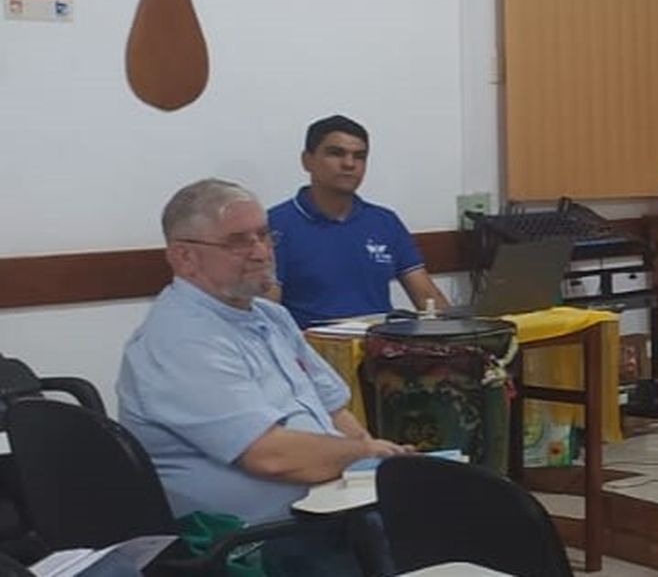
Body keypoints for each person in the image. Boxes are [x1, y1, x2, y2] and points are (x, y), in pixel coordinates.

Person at [118, 178, 411, 575]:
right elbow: (270, 457)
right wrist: (365, 456)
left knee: (448, 518)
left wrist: (368, 459)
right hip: (254, 542)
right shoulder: (179, 340)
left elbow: (334, 409)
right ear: (185, 257)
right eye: (238, 241)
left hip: (326, 509)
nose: (260, 252)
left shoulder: (270, 316)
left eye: (263, 235)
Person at [268, 115, 448, 326]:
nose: (349, 164)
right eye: (336, 153)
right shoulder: (274, 225)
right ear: (307, 160)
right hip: (311, 351)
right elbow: (268, 314)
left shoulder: (385, 222)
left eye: (359, 156)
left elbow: (427, 297)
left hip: (382, 348)